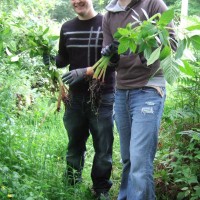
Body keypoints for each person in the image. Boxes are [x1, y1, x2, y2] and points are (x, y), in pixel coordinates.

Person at [101, 0, 176, 199]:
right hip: (122, 91)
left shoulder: (153, 5)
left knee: (140, 161)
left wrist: (147, 51)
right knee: (128, 159)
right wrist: (111, 56)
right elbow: (110, 59)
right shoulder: (109, 14)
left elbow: (173, 44)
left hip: (149, 89)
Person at [44, 0, 116, 199]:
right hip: (75, 97)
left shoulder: (106, 23)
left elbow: (115, 61)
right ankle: (71, 183)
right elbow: (63, 58)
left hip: (103, 96)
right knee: (74, 143)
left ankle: (101, 189)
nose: (77, 2)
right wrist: (51, 59)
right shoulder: (67, 27)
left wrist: (85, 72)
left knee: (103, 146)